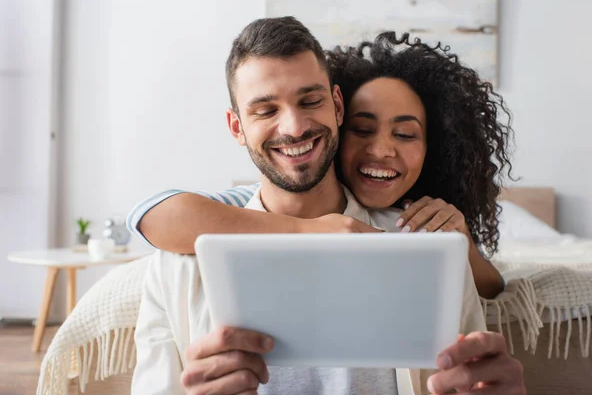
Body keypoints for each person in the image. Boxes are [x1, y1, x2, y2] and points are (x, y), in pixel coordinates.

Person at [131, 17, 524, 394]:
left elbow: (474, 374)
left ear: (337, 106)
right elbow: (159, 212)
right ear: (237, 127)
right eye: (266, 110)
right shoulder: (176, 268)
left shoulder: (429, 248)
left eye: (310, 101)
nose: (294, 127)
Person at [127, 30, 513, 300]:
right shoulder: (275, 193)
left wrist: (460, 242)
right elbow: (154, 214)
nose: (380, 151)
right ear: (342, 119)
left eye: (406, 135)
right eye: (363, 130)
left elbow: (490, 288)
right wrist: (308, 228)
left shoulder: (426, 222)